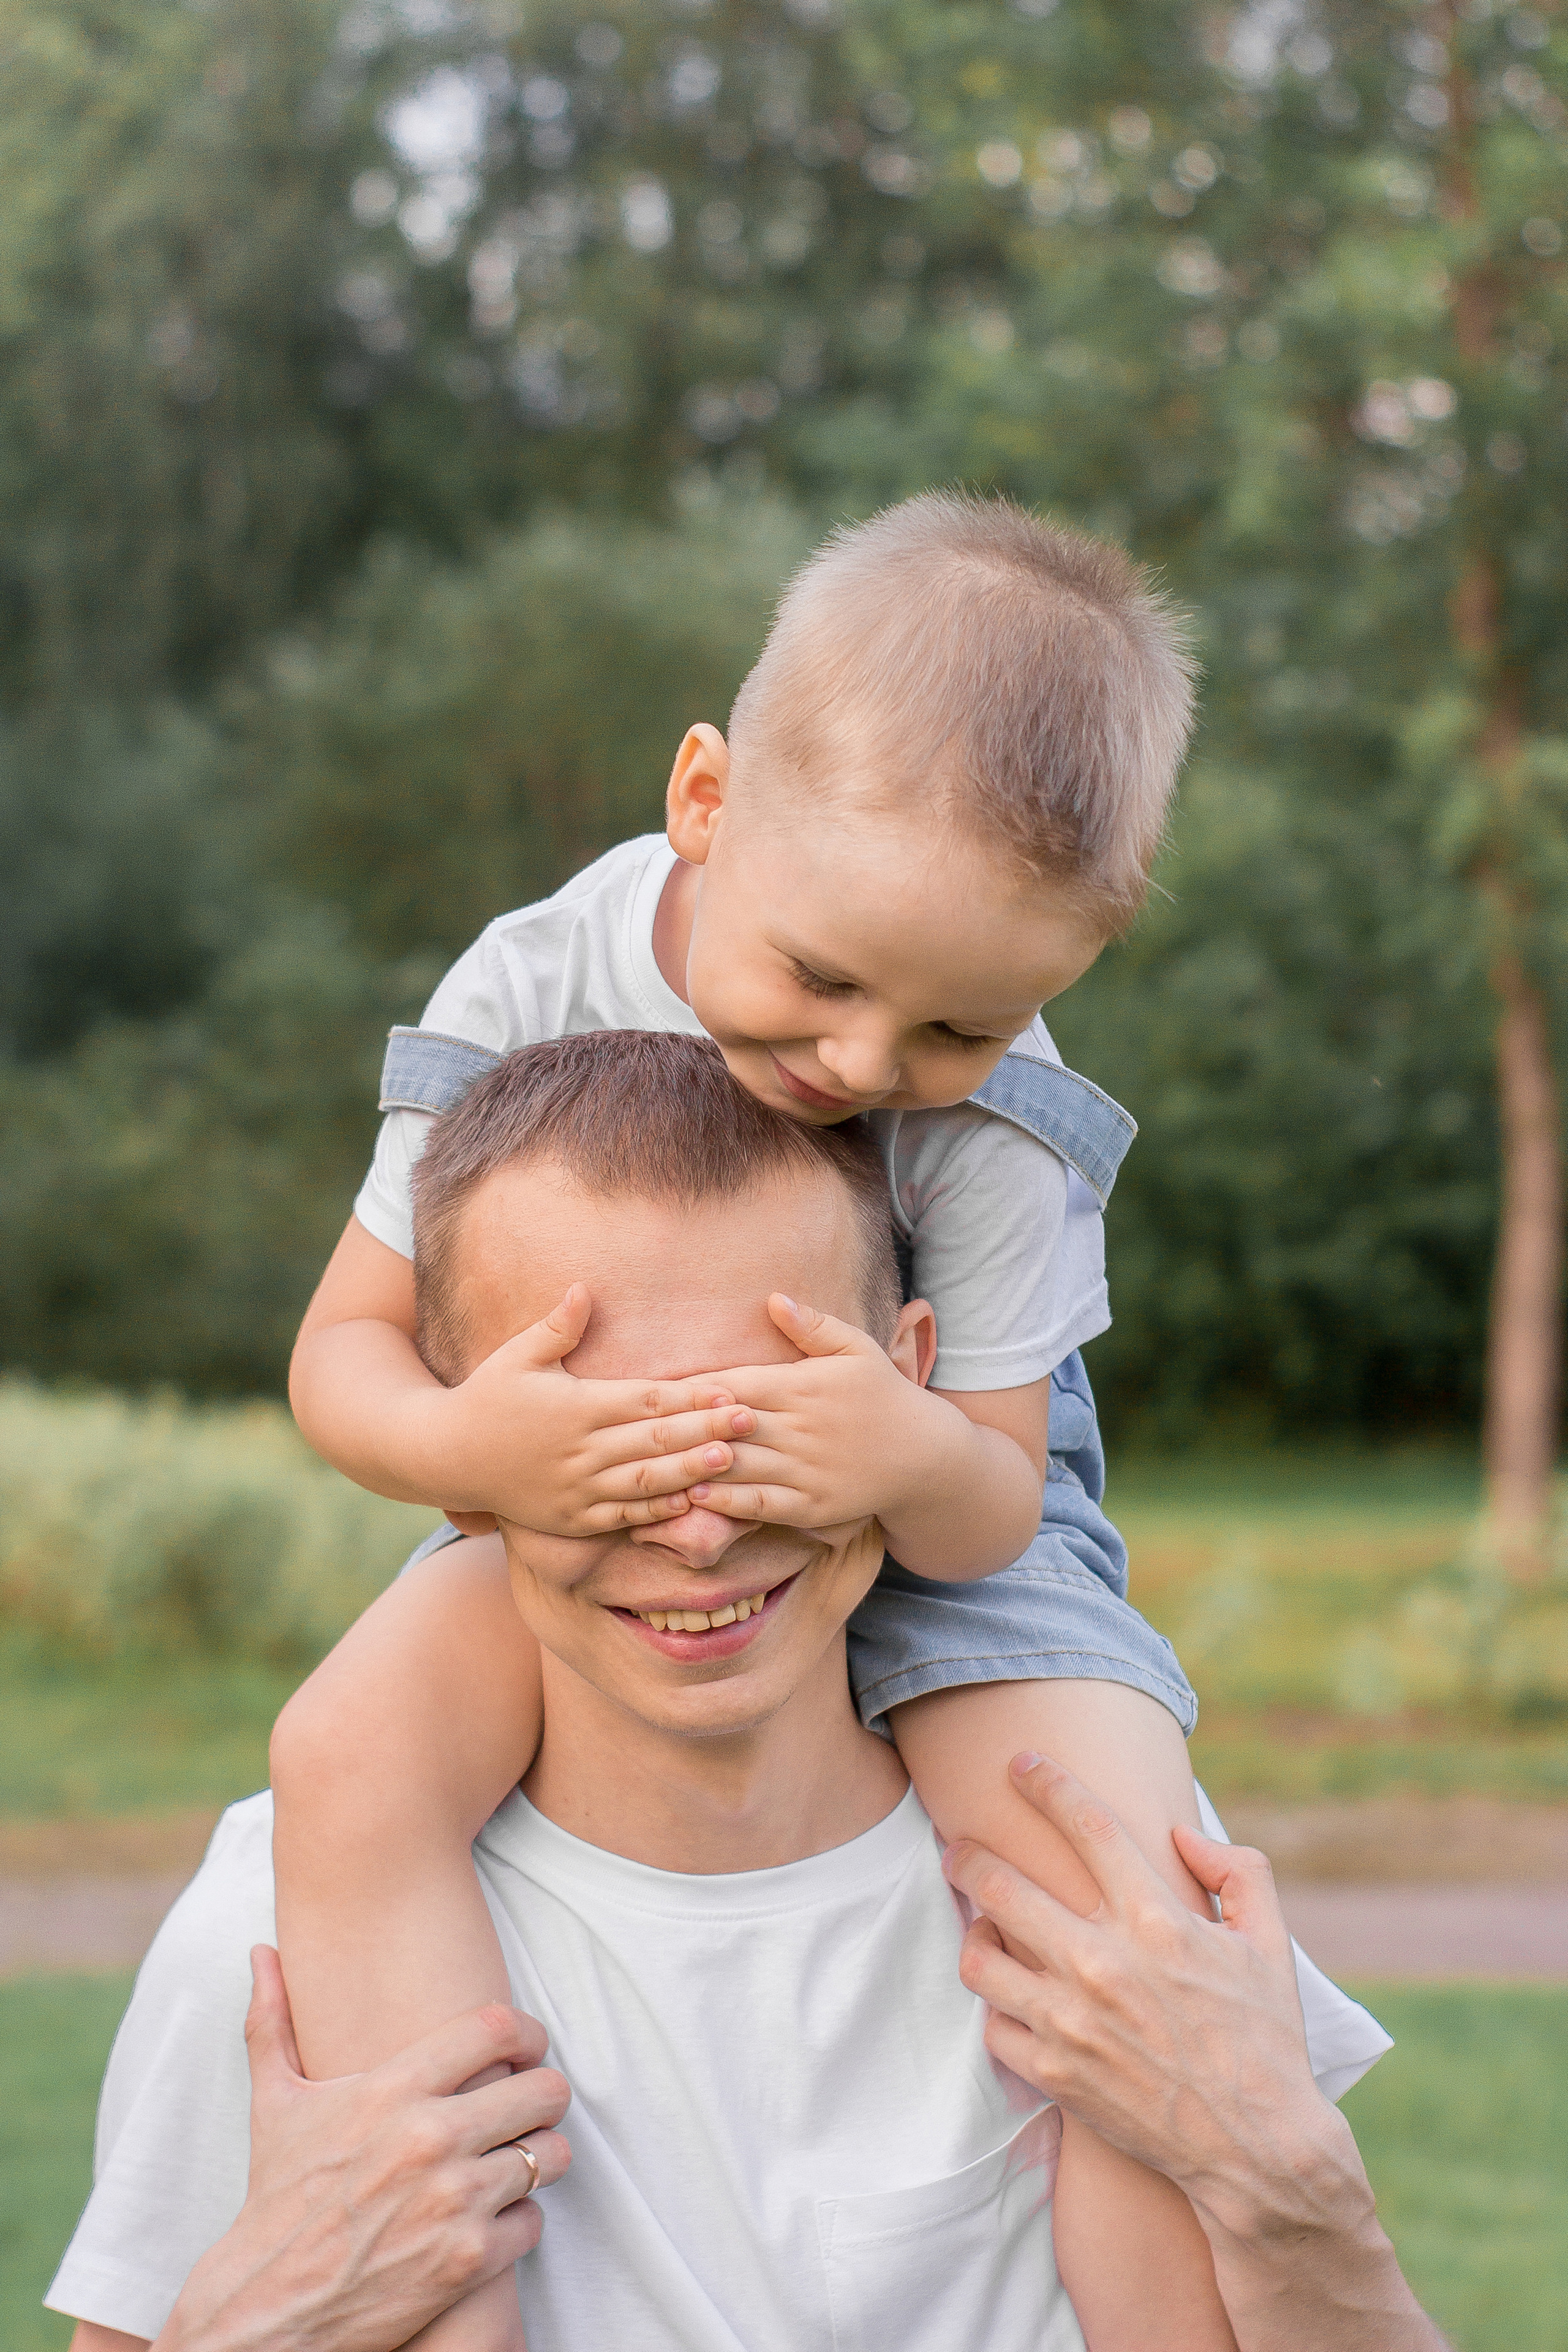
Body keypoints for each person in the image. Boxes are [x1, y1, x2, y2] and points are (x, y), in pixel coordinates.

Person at [51, 1035, 1398, 2352]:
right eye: (605, 1454)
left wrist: (1297, 2194)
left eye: (772, 1429)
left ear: (916, 1384)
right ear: (461, 1456)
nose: (697, 1534)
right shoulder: (277, 1921)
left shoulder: (1113, 1906)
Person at [271, 491, 1225, 2345]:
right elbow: (346, 1357)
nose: (868, 1069)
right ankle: (439, 2284)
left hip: (943, 1505)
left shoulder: (1015, 1131)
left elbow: (997, 1507)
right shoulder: (532, 978)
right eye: (825, 978)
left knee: (1115, 1889)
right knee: (344, 1762)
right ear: (705, 800)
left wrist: (893, 1449)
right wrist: (482, 1454)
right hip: (581, 1490)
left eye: (960, 1028)